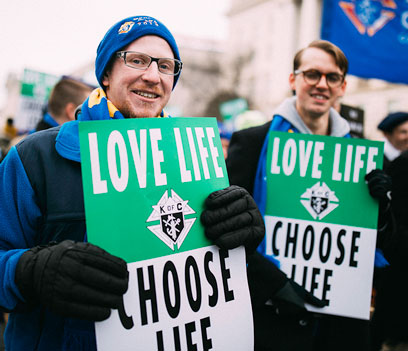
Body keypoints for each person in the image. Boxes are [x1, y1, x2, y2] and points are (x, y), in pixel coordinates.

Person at [0, 16, 264, 351]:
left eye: (166, 66)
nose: (152, 76)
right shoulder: (35, 156)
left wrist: (242, 236)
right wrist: (28, 272)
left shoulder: (197, 159)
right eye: (136, 60)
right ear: (106, 74)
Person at [226, 40, 384, 351]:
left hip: (338, 322)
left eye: (332, 77)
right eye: (312, 74)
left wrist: (383, 210)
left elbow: (373, 242)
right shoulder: (252, 143)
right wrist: (274, 283)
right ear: (293, 80)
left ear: (342, 86)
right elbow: (229, 230)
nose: (321, 84)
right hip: (271, 315)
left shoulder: (362, 156)